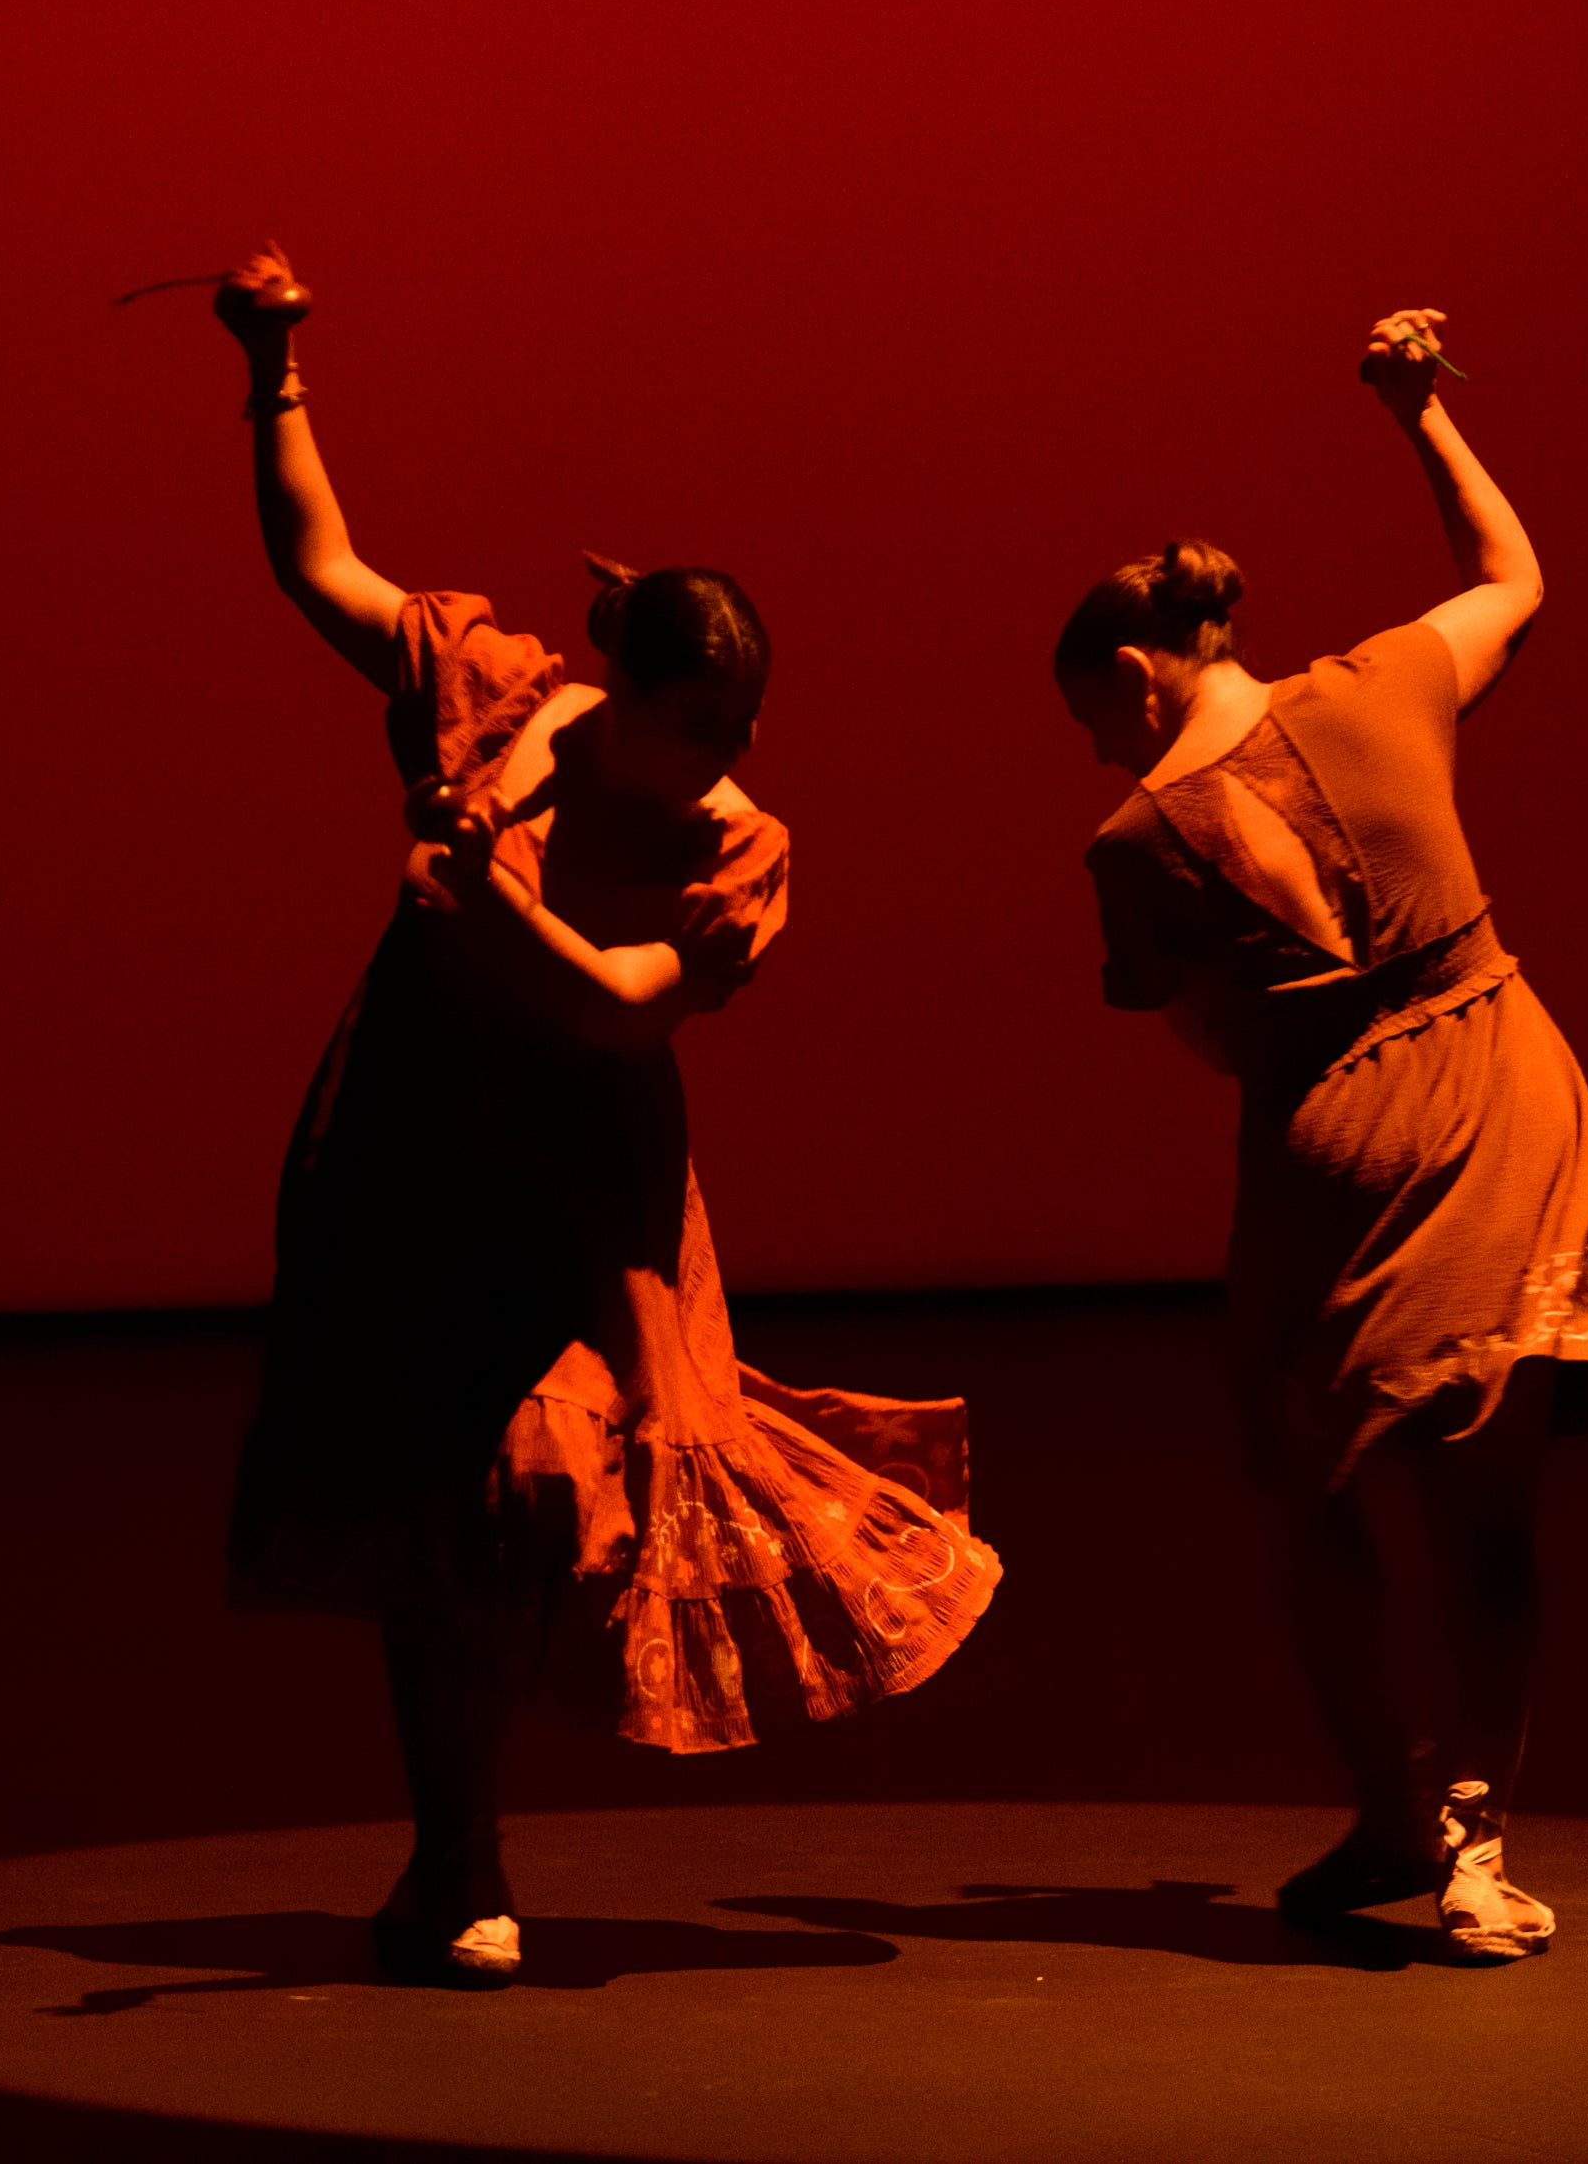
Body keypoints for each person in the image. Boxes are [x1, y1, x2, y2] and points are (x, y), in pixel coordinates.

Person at [206, 243, 1000, 1986]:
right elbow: (316, 563)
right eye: (699, 716)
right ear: (613, 684)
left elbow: (613, 1005)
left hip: (579, 1190)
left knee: (552, 1482)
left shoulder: (737, 846)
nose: (733, 747)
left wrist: (472, 884)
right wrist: (275, 364)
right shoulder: (492, 697)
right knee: (443, 1503)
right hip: (414, 1160)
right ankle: (457, 1857)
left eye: (748, 718)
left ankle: (469, 1837)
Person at [1054, 308, 1588, 1965]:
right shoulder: (1387, 681)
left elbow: (1197, 1031)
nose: (1100, 746)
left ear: (1144, 673)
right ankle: (1465, 1836)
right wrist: (1421, 414)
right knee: (1483, 1505)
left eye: (1098, 713)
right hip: (1502, 1085)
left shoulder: (1134, 836)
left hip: (1329, 1147)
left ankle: (1399, 1802)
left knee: (1307, 1490)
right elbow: (1516, 575)